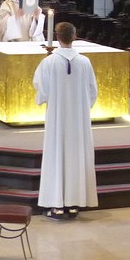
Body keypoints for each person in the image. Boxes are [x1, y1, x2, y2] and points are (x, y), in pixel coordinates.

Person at [33, 22, 98, 220]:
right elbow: (92, 92)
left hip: (58, 119)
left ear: (57, 37)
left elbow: (41, 90)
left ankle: (57, 205)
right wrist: (79, 106)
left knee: (57, 156)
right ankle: (73, 204)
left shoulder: (49, 62)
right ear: (75, 35)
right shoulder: (85, 62)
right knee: (76, 157)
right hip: (78, 121)